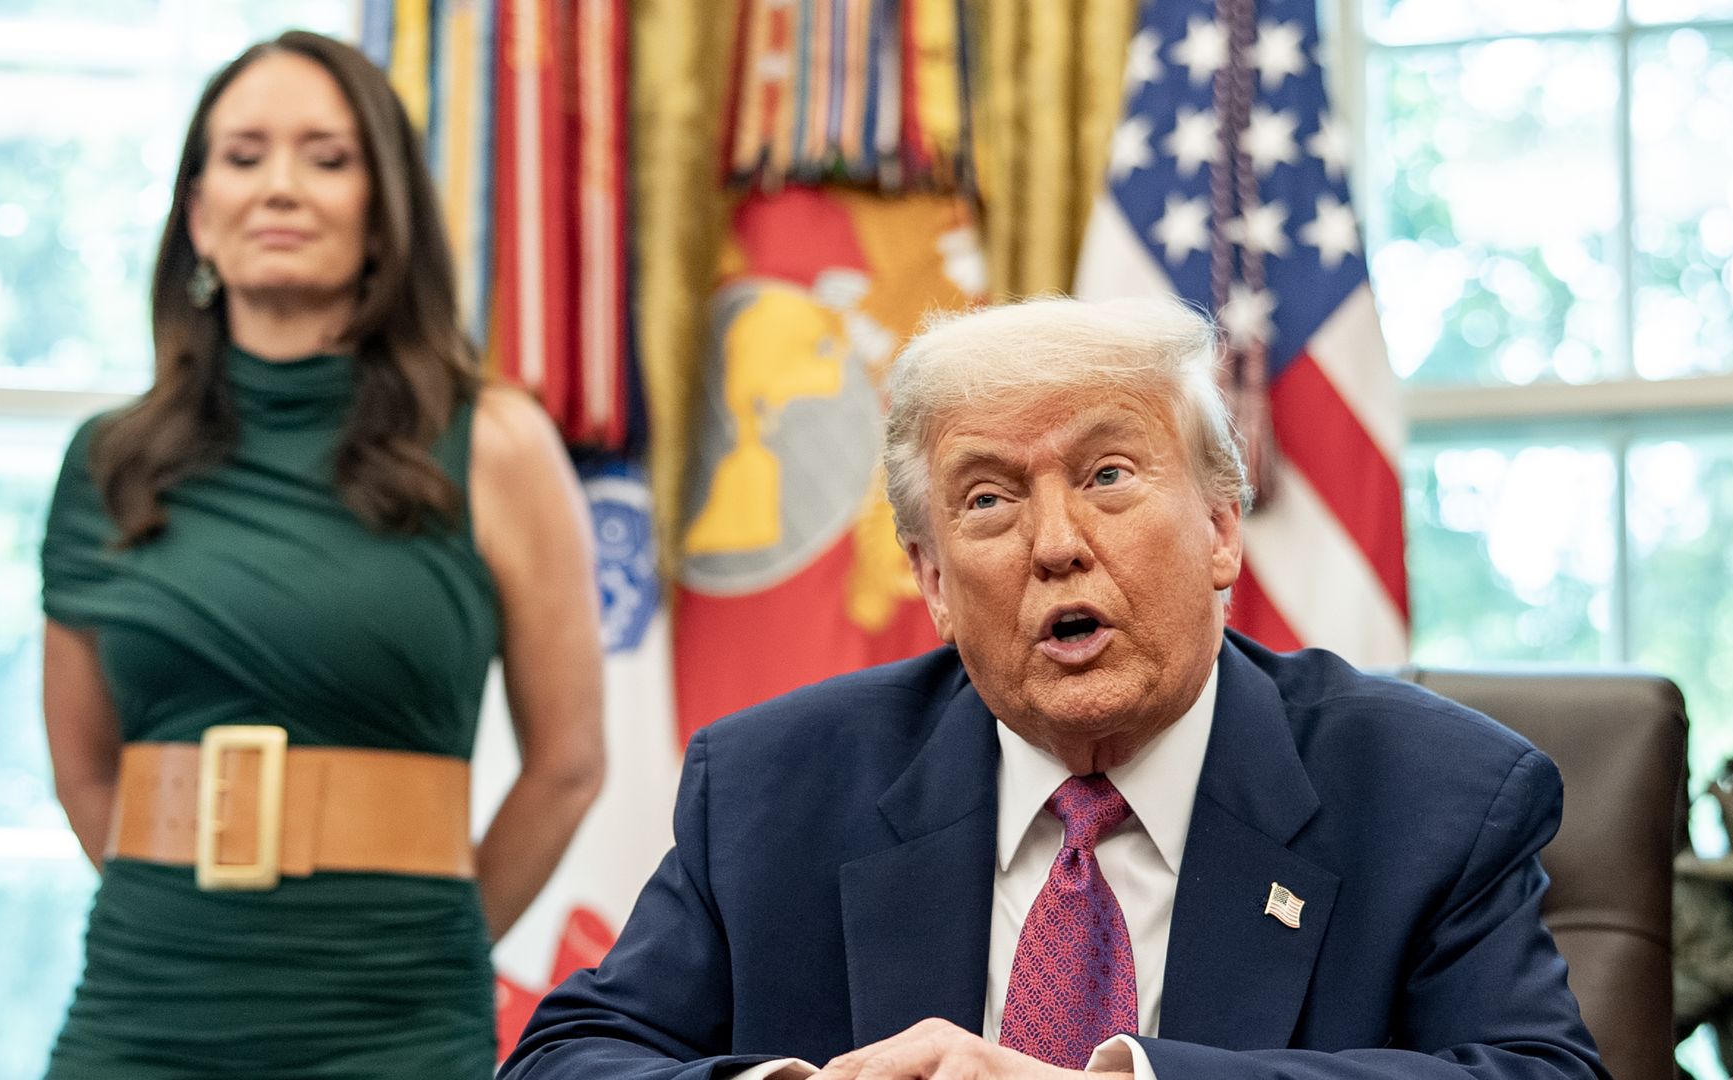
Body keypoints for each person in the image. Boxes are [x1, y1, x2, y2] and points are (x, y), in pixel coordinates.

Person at [500, 296, 1608, 1080]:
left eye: (1108, 476)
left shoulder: (1436, 796)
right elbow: (564, 1060)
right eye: (987, 501)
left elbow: (1537, 1074)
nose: (1056, 544)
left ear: (1223, 527)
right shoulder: (767, 789)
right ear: (932, 580)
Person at [39, 30, 604, 1078]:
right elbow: (81, 769)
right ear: (199, 214)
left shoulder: (498, 443)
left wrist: (430, 948)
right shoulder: (106, 462)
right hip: (141, 1005)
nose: (281, 187)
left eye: (327, 158)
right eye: (244, 156)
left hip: (394, 1014)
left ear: (383, 213)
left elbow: (568, 766)